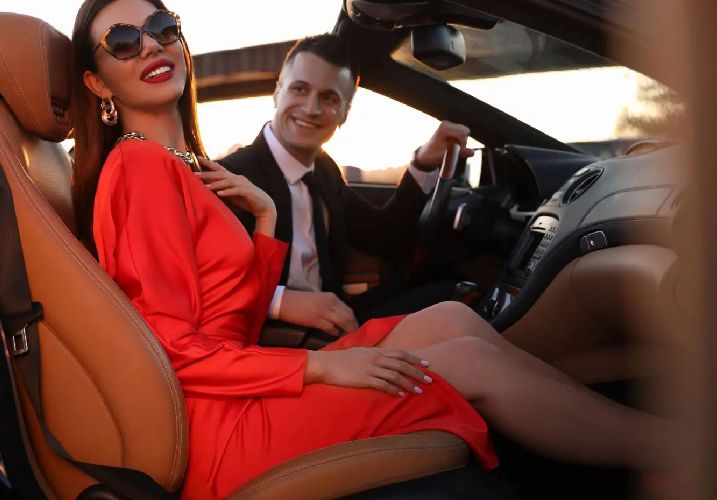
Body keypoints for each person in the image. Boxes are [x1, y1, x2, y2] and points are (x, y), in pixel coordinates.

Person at [70, 1, 674, 499]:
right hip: (223, 425)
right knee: (468, 360)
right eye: (122, 42)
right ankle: (674, 451)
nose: (149, 46)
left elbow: (229, 321)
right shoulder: (140, 168)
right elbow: (171, 349)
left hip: (242, 382)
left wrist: (266, 219)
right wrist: (322, 366)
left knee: (451, 317)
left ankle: (622, 442)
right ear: (97, 82)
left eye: (161, 27)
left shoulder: (186, 167)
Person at [218, 34, 473, 336]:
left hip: (334, 321)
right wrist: (280, 301)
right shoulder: (231, 176)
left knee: (451, 294)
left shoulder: (324, 170)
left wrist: (423, 163)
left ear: (344, 113)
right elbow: (203, 281)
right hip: (271, 336)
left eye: (328, 98)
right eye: (300, 89)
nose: (311, 108)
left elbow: (383, 237)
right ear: (277, 92)